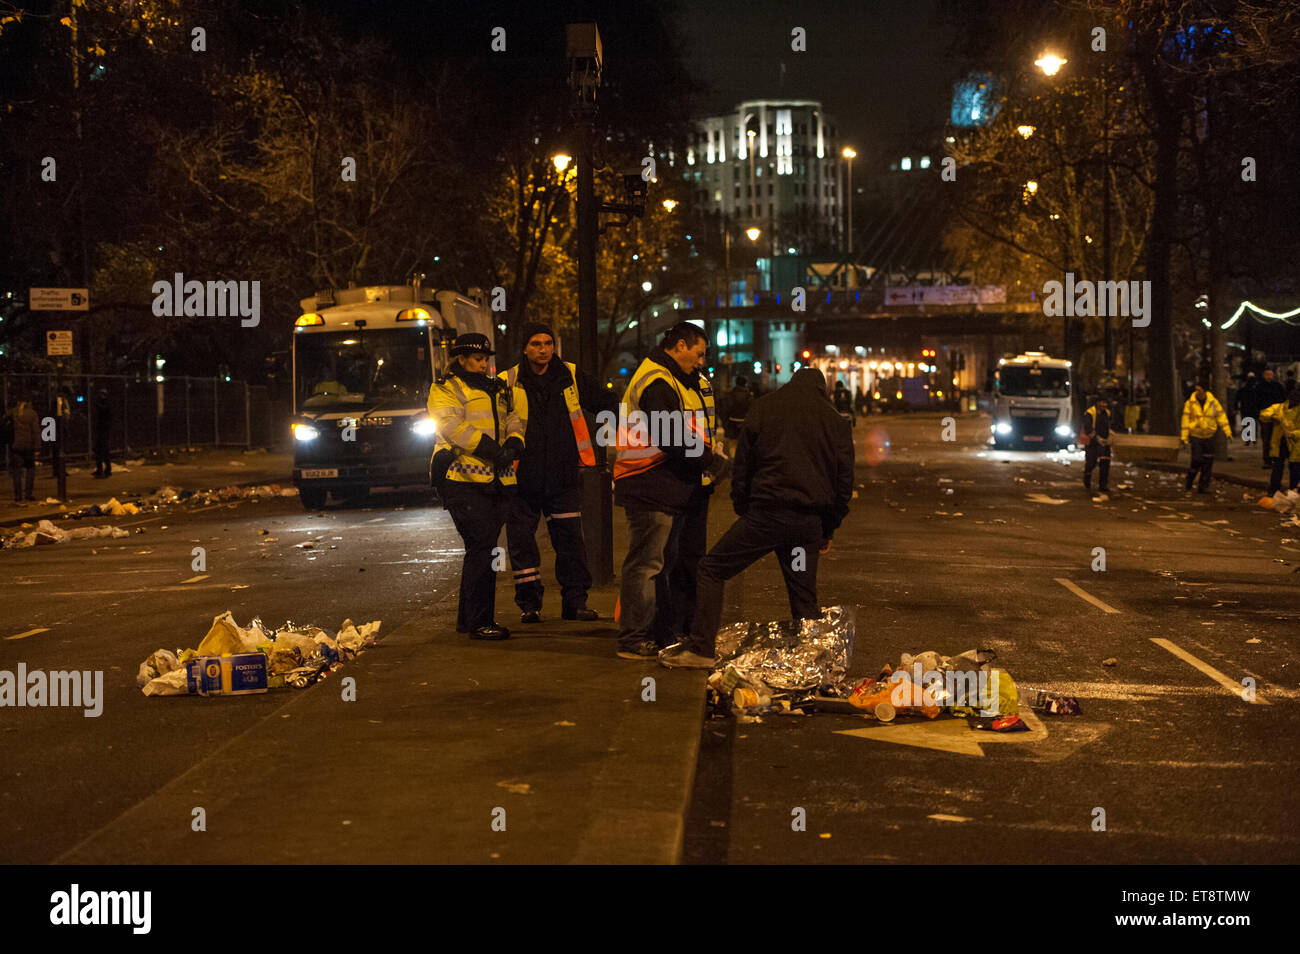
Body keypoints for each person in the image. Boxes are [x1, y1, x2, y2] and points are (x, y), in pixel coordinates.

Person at [660, 368, 854, 668]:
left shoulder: (764, 407)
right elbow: (843, 483)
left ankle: (700, 649)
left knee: (712, 569)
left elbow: (744, 466)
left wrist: (743, 507)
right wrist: (827, 529)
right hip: (806, 525)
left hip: (766, 516)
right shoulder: (835, 421)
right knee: (803, 595)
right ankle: (812, 665)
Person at [497, 322, 617, 623]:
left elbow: (604, 401)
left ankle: (575, 604)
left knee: (570, 542)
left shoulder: (571, 375)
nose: (543, 349)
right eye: (536, 344)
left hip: (563, 475)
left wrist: (634, 417)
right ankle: (530, 604)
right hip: (522, 477)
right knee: (522, 542)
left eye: (548, 343)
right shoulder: (506, 381)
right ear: (525, 348)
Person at [613, 322, 715, 660]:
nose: (700, 362)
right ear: (681, 346)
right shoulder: (657, 381)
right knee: (647, 565)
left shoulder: (666, 377)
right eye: (698, 353)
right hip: (648, 483)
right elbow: (672, 436)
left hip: (658, 484)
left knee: (656, 564)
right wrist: (709, 459)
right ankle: (633, 639)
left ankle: (654, 634)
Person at [428, 333, 528, 640]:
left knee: (482, 548)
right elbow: (451, 426)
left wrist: (514, 442)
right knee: (482, 547)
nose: (483, 364)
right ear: (460, 358)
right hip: (461, 480)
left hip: (495, 481)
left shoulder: (497, 388)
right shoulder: (445, 388)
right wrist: (490, 449)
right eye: (477, 359)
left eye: (486, 359)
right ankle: (479, 622)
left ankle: (469, 619)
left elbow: (512, 418)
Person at [654, 360, 727, 648]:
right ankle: (669, 626)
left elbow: (705, 428)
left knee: (691, 556)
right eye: (697, 352)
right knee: (669, 556)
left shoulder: (701, 383)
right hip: (674, 479)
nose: (701, 360)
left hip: (696, 479)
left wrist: (710, 465)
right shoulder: (668, 384)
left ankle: (686, 624)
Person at [1180, 379, 1232, 494]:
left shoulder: (1213, 403)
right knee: (1197, 459)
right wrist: (1184, 437)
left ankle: (1203, 486)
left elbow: (1221, 417)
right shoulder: (1190, 403)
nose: (1197, 391)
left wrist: (1227, 431)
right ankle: (1190, 480)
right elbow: (1185, 420)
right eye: (1196, 389)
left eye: (1199, 389)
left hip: (1209, 435)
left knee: (1208, 462)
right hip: (1196, 435)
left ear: (1205, 391)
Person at [1261, 382, 1300, 495]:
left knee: (1294, 469)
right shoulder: (1279, 408)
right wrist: (1272, 417)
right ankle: (1275, 490)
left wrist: (1294, 434)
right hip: (1281, 443)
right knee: (1279, 468)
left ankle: (1292, 492)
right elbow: (1264, 414)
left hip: (1295, 444)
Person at [6, 398, 41, 503]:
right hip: (28, 445)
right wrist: (37, 447)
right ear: (29, 402)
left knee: (17, 471)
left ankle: (18, 495)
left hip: (16, 445)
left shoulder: (12, 413)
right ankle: (28, 494)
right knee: (30, 469)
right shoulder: (32, 414)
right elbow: (36, 431)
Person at [1080, 396, 1113, 501]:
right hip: (1092, 443)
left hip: (1104, 442)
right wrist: (1096, 438)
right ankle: (1087, 479)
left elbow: (1110, 426)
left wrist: (1109, 437)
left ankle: (1103, 485)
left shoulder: (1107, 413)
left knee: (1105, 463)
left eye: (1105, 403)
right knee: (1091, 462)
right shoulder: (1090, 413)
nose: (1103, 405)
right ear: (1097, 403)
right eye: (1101, 403)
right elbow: (1088, 427)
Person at [1257, 368, 1286, 468]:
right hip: (1266, 416)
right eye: (1267, 374)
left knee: (1274, 438)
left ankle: (1274, 458)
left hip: (1276, 416)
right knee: (1267, 439)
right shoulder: (1260, 387)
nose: (1269, 376)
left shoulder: (1277, 386)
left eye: (1270, 374)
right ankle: (1268, 459)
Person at [721, 375, 753, 458]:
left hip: (732, 424)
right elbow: (753, 411)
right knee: (745, 445)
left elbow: (725, 411)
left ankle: (733, 463)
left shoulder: (730, 395)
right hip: (745, 424)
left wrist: (725, 424)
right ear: (745, 384)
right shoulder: (749, 397)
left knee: (733, 445)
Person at [91, 388, 113, 479]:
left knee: (104, 451)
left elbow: (105, 410)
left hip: (104, 430)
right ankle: (100, 469)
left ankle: (107, 470)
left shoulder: (107, 405)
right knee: (98, 451)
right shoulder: (101, 405)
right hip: (100, 429)